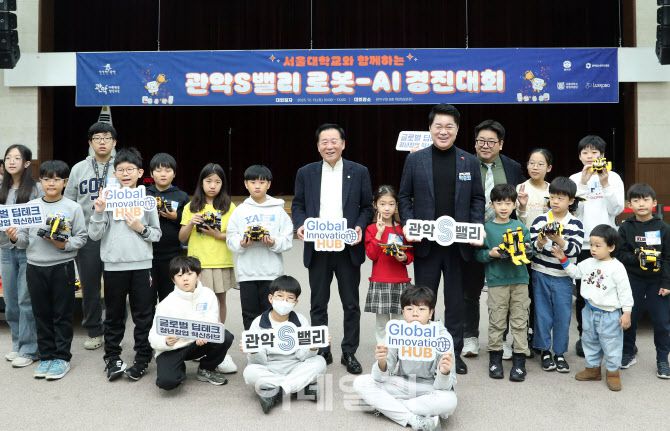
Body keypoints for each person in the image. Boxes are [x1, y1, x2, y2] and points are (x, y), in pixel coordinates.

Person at [398, 103, 485, 374]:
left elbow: (477, 199)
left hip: (459, 246)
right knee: (424, 302)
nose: (443, 131)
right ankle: (423, 351)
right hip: (427, 246)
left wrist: (476, 228)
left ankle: (452, 353)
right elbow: (404, 196)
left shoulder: (469, 161)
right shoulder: (416, 160)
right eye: (439, 126)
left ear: (457, 130)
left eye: (449, 126)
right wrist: (409, 224)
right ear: (430, 128)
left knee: (456, 302)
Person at [292, 123, 373, 374]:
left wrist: (359, 227)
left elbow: (366, 207)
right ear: (318, 146)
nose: (329, 146)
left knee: (350, 304)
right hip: (318, 248)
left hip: (347, 248)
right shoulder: (305, 172)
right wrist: (301, 224)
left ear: (343, 144)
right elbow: (298, 205)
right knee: (318, 303)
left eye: (334, 141)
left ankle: (349, 352)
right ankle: (322, 349)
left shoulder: (359, 171)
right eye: (324, 142)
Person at [8, 161, 88, 380]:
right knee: (40, 313)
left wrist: (64, 244)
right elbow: (23, 241)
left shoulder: (73, 207)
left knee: (62, 314)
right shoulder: (31, 206)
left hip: (62, 267)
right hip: (35, 267)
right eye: (46, 179)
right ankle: (46, 356)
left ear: (65, 182)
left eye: (56, 179)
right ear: (40, 181)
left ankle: (62, 358)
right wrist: (14, 237)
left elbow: (82, 237)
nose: (51, 183)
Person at [88, 147, 162, 381]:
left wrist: (140, 228)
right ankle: (112, 358)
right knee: (113, 314)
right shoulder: (107, 199)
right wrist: (99, 211)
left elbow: (157, 234)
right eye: (121, 170)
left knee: (144, 315)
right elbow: (94, 235)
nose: (126, 173)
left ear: (140, 172)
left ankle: (142, 358)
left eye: (131, 169)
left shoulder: (147, 201)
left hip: (142, 265)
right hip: (114, 265)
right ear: (115, 173)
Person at [353, 285, 457, 431]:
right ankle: (414, 419)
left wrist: (444, 372)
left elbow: (444, 387)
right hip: (402, 383)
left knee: (449, 401)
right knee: (361, 382)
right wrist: (381, 363)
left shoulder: (443, 337)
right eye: (409, 309)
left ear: (431, 313)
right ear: (403, 312)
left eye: (421, 309)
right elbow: (379, 378)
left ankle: (385, 407)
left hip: (430, 387)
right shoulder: (396, 332)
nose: (415, 314)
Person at [462, 120, 525, 359]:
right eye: (481, 141)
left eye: (491, 141)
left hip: (504, 236)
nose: (485, 145)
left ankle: (503, 339)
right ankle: (470, 337)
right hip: (473, 235)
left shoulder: (512, 167)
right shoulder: (464, 163)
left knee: (504, 291)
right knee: (470, 290)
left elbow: (517, 201)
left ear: (501, 144)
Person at [552, 224, 633, 391]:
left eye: (598, 245)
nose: (593, 249)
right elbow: (575, 273)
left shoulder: (617, 268)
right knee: (589, 341)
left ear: (611, 247)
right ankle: (592, 369)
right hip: (589, 311)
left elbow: (625, 292)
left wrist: (627, 313)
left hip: (610, 315)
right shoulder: (588, 263)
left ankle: (613, 373)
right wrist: (563, 259)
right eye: (591, 244)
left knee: (611, 345)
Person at [179, 163, 238, 373]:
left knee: (219, 300)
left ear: (223, 184)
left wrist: (217, 234)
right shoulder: (191, 206)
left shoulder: (229, 206)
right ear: (201, 182)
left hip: (221, 261)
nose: (213, 186)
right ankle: (199, 341)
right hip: (198, 264)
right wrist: (191, 223)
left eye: (217, 182)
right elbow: (182, 238)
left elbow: (234, 235)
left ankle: (217, 342)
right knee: (198, 303)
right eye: (209, 181)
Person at [569, 135, 624, 358]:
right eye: (585, 152)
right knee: (584, 293)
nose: (590, 156)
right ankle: (585, 337)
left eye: (594, 152)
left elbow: (616, 209)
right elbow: (573, 211)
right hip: (582, 243)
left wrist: (605, 183)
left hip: (607, 244)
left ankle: (609, 337)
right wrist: (582, 185)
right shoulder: (574, 178)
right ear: (579, 156)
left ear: (602, 155)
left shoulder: (614, 177)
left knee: (608, 291)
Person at [64, 121, 117, 350]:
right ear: (90, 142)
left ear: (114, 142)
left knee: (116, 287)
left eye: (107, 138)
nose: (102, 142)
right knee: (90, 287)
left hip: (115, 236)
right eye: (97, 138)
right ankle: (95, 331)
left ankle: (114, 330)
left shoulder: (122, 167)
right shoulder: (78, 169)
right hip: (87, 237)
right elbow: (69, 202)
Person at [242, 275, 327, 414]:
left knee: (320, 362)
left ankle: (276, 392)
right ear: (271, 298)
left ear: (296, 302)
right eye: (280, 296)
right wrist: (253, 351)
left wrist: (312, 347)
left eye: (290, 298)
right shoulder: (258, 322)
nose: (284, 301)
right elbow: (259, 361)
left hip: (295, 365)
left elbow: (302, 356)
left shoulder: (301, 321)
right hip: (269, 367)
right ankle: (300, 387)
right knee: (249, 372)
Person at [149, 256, 234, 389]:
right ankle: (177, 368)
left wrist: (205, 334)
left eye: (189, 274)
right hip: (174, 348)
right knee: (167, 382)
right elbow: (153, 336)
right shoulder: (166, 304)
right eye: (179, 275)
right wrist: (165, 341)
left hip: (197, 343)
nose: (185, 279)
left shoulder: (208, 294)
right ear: (173, 279)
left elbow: (212, 320)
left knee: (224, 336)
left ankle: (206, 368)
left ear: (198, 275)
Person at [475, 184, 531, 381]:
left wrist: (524, 250)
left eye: (508, 203)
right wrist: (490, 254)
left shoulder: (520, 226)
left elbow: (530, 250)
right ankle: (495, 359)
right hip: (496, 281)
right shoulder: (486, 228)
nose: (504, 207)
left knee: (520, 320)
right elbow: (478, 255)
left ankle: (519, 361)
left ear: (514, 204)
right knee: (497, 321)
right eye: (499, 203)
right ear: (492, 205)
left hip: (520, 280)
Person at [226, 164, 293, 330]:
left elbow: (288, 240)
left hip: (272, 272)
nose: (257, 186)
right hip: (247, 273)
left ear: (268, 184)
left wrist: (273, 242)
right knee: (249, 313)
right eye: (253, 182)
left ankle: (271, 345)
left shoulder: (278, 210)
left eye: (262, 182)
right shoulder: (240, 211)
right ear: (246, 184)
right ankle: (252, 345)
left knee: (271, 312)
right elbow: (230, 238)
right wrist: (241, 243)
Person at [529, 177, 583, 374]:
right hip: (541, 273)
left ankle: (559, 353)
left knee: (563, 316)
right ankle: (544, 351)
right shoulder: (540, 220)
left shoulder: (575, 223)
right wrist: (541, 241)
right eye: (552, 197)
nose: (555, 201)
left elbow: (576, 250)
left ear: (571, 200)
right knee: (542, 314)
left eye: (560, 198)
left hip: (563, 277)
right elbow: (531, 249)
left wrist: (559, 240)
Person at [617, 183, 670, 379]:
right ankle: (628, 352)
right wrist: (638, 258)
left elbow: (668, 258)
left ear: (654, 203)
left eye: (645, 199)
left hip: (657, 282)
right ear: (629, 204)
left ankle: (663, 359)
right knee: (629, 318)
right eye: (636, 200)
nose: (641, 204)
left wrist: (666, 283)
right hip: (633, 279)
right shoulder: (625, 227)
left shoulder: (663, 228)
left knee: (662, 322)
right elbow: (619, 254)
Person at [0, 144, 42, 368]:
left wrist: (21, 234)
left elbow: (42, 218)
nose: (11, 161)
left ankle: (29, 349)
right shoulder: (1, 188)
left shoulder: (36, 189)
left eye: (17, 158)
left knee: (26, 300)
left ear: (26, 163)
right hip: (5, 249)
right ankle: (17, 343)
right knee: (10, 301)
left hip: (28, 251)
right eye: (8, 158)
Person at [364, 185, 414, 344]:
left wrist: (404, 257)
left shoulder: (402, 229)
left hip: (400, 280)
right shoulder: (371, 229)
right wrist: (379, 233)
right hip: (380, 280)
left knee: (400, 320)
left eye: (391, 204)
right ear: (375, 205)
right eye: (382, 204)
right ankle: (383, 349)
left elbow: (410, 255)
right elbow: (371, 255)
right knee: (382, 323)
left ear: (396, 206)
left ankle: (398, 348)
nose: (387, 208)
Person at [516, 148, 553, 355]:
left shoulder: (553, 190)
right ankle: (525, 333)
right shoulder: (521, 188)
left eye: (540, 164)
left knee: (541, 295)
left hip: (546, 248)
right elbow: (517, 220)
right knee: (525, 293)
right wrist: (522, 206)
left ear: (549, 168)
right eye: (531, 163)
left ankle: (539, 334)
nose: (535, 167)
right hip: (526, 247)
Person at [146, 153, 189, 301]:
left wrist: (175, 217)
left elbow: (187, 222)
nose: (163, 174)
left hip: (173, 255)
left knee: (170, 297)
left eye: (168, 170)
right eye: (158, 170)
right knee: (147, 297)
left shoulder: (182, 196)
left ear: (174, 173)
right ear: (151, 173)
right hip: (147, 254)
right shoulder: (145, 194)